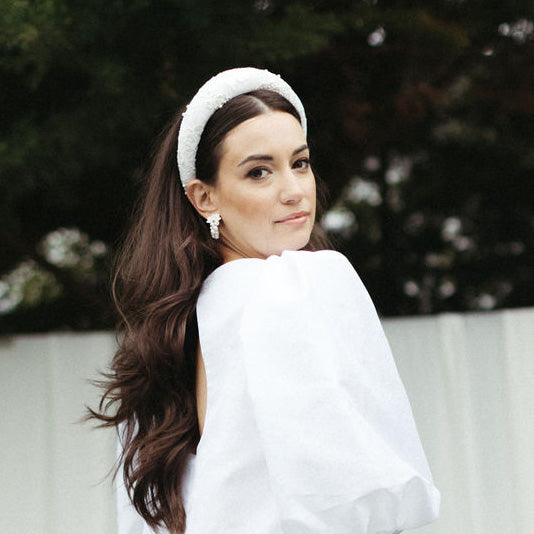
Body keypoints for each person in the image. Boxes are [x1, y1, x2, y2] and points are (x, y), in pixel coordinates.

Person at [92, 67, 440, 534]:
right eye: (259, 172)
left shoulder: (180, 326)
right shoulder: (286, 287)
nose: (294, 191)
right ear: (204, 197)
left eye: (300, 163)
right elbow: (344, 495)